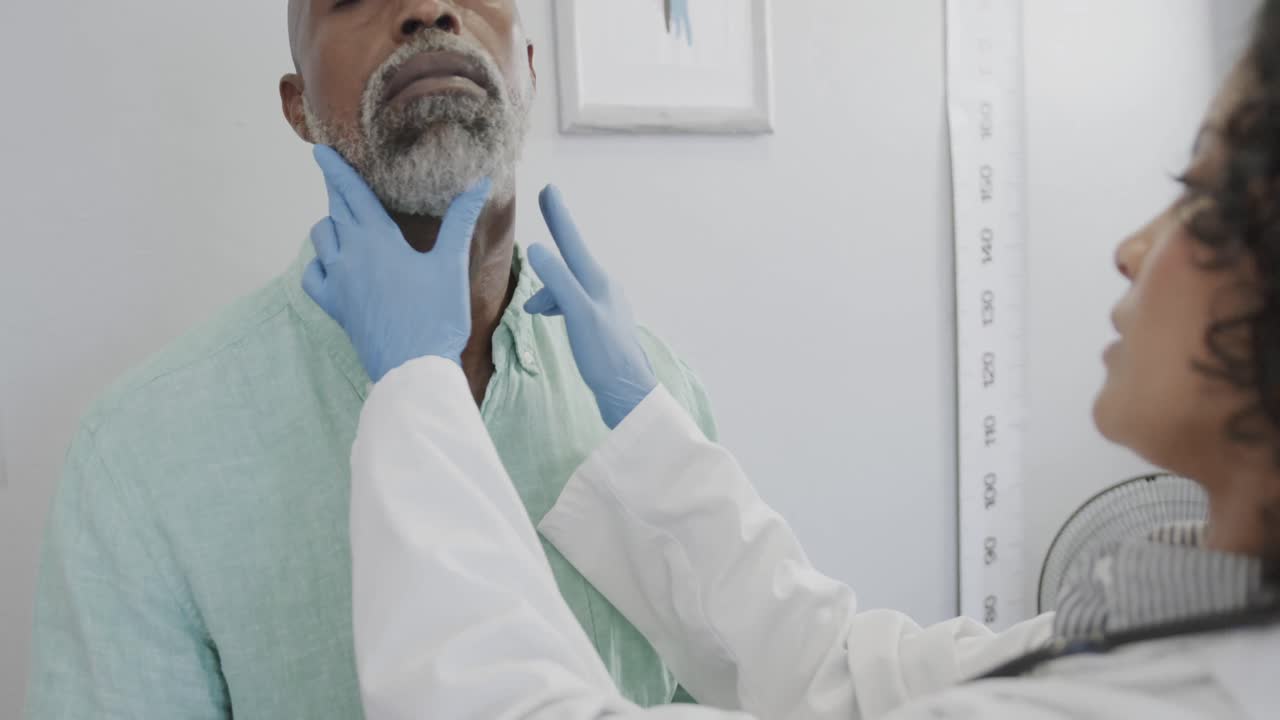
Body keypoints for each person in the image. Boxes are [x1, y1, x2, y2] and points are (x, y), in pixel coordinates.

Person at [317, 4, 1280, 719]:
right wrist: (644, 424)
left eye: (1196, 192)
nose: (1133, 249)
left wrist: (412, 389)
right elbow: (843, 676)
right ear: (296, 106)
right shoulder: (1158, 624)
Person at [24, 2, 715, 717]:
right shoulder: (140, 458)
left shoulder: (657, 403)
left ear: (529, 70)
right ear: (300, 108)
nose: (426, 8)